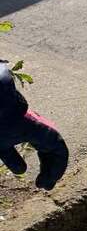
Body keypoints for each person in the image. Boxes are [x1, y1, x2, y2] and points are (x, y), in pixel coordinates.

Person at [0, 63, 68, 191]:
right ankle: (47, 180)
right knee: (55, 148)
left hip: (15, 116)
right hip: (17, 117)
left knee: (18, 165)